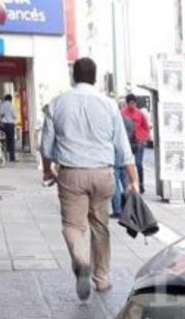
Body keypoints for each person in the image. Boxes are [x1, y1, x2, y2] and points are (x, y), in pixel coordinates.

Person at [40, 57, 139, 301]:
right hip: (103, 173)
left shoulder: (57, 103)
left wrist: (46, 170)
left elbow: (45, 147)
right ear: (95, 77)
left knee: (73, 226)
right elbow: (123, 147)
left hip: (71, 172)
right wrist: (133, 180)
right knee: (100, 226)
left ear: (74, 76)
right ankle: (102, 279)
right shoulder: (108, 105)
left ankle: (81, 260)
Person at [121, 93, 151, 193]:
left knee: (138, 163)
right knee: (127, 165)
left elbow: (146, 127)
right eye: (130, 103)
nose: (132, 105)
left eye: (134, 103)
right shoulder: (122, 113)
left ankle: (141, 184)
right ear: (127, 103)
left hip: (138, 142)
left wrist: (144, 138)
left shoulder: (140, 113)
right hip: (127, 143)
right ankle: (128, 184)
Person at [112, 113, 138, 217]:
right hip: (127, 157)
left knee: (115, 186)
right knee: (128, 184)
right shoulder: (129, 121)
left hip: (115, 156)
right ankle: (130, 209)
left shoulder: (112, 121)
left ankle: (117, 210)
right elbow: (134, 137)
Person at [0, 93, 17, 162]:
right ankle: (12, 157)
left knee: (2, 140)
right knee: (11, 141)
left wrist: (0, 119)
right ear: (11, 99)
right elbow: (15, 116)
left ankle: (3, 156)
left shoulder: (1, 105)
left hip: (3, 125)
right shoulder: (11, 106)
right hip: (10, 125)